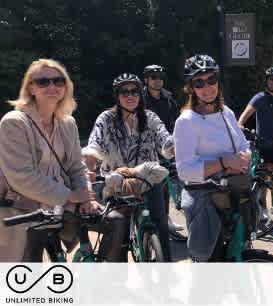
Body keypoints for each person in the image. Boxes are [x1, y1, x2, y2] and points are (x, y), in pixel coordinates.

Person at [0, 59, 105, 261]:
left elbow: (77, 166)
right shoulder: (14, 123)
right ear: (31, 87)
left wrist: (87, 197)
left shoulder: (68, 122)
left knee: (114, 221)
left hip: (62, 203)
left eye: (58, 81)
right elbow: (22, 176)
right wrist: (70, 196)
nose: (52, 86)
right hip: (23, 208)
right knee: (27, 274)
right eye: (43, 81)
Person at [83, 73, 174, 262]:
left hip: (147, 179)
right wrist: (90, 174)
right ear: (117, 95)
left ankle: (167, 271)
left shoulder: (150, 117)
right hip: (117, 182)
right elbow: (93, 146)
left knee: (160, 224)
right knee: (119, 233)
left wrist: (179, 147)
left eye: (134, 91)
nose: (130, 96)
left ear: (140, 94)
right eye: (124, 92)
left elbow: (165, 141)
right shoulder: (106, 119)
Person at [173, 54, 251, 262]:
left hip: (232, 193)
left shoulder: (227, 112)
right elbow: (185, 171)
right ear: (191, 88)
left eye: (211, 80)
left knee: (238, 253)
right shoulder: (187, 121)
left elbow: (243, 144)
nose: (207, 87)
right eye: (199, 82)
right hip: (205, 200)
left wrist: (245, 157)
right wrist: (225, 163)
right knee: (211, 264)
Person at [238, 67, 273, 216]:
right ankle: (262, 207)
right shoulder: (260, 98)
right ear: (267, 82)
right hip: (262, 142)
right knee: (263, 176)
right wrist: (240, 124)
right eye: (271, 79)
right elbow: (246, 113)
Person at [141, 64, 184, 236]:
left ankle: (165, 219)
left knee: (164, 186)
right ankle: (147, 221)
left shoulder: (168, 98)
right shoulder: (140, 98)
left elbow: (177, 120)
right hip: (146, 150)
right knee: (147, 187)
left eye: (159, 77)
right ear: (146, 80)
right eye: (153, 77)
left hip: (166, 148)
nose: (157, 80)